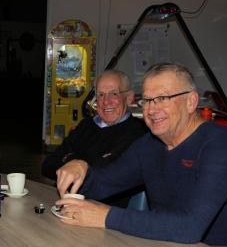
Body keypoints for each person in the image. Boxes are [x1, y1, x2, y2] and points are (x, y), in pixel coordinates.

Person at [55, 63, 227, 247]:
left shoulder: (221, 146)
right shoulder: (149, 145)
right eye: (147, 100)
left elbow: (190, 227)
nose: (152, 109)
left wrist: (104, 216)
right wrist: (81, 168)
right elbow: (102, 185)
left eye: (163, 98)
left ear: (191, 102)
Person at [41, 70, 147, 206]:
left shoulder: (139, 133)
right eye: (100, 95)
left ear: (129, 97)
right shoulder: (85, 125)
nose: (106, 101)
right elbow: (48, 165)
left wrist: (72, 161)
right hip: (65, 204)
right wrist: (74, 162)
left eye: (114, 94)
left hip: (105, 212)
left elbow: (106, 174)